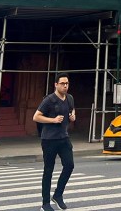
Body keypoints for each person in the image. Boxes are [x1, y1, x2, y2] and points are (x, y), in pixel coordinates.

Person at [33, 73, 75, 211]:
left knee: (69, 165)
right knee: (48, 171)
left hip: (64, 138)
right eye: (62, 83)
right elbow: (36, 117)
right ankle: (45, 203)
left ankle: (58, 195)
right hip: (49, 140)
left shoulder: (69, 98)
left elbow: (71, 110)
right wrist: (53, 120)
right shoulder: (49, 100)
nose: (65, 86)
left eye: (67, 83)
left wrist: (72, 116)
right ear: (56, 85)